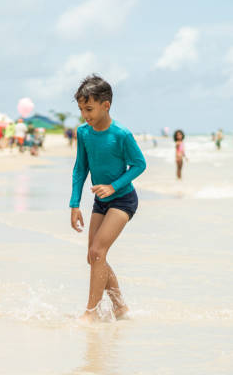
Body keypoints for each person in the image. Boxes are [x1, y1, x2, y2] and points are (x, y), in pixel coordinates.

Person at [69, 75, 146, 322]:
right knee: (93, 256)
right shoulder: (83, 133)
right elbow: (80, 168)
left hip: (123, 200)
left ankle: (90, 312)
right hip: (101, 201)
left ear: (106, 105)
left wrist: (113, 187)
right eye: (81, 109)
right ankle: (119, 307)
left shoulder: (121, 134)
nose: (85, 115)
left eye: (89, 109)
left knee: (98, 252)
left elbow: (139, 164)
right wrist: (74, 204)